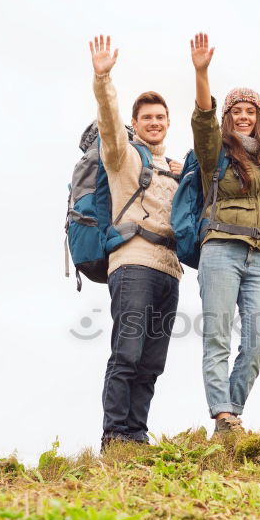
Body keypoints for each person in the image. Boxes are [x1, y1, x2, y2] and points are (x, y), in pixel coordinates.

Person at [89, 35, 183, 451]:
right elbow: (109, 123)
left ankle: (136, 436)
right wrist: (103, 78)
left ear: (168, 121)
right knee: (127, 352)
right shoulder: (122, 156)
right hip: (132, 264)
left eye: (160, 117)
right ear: (136, 123)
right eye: (146, 117)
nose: (155, 123)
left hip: (169, 270)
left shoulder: (177, 168)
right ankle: (114, 435)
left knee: (152, 361)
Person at [189, 32, 260, 434]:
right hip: (221, 251)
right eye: (237, 110)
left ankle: (231, 410)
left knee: (258, 342)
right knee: (217, 337)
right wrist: (202, 72)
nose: (244, 115)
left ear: (259, 117)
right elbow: (204, 121)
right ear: (229, 115)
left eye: (251, 110)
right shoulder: (215, 154)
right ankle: (224, 416)